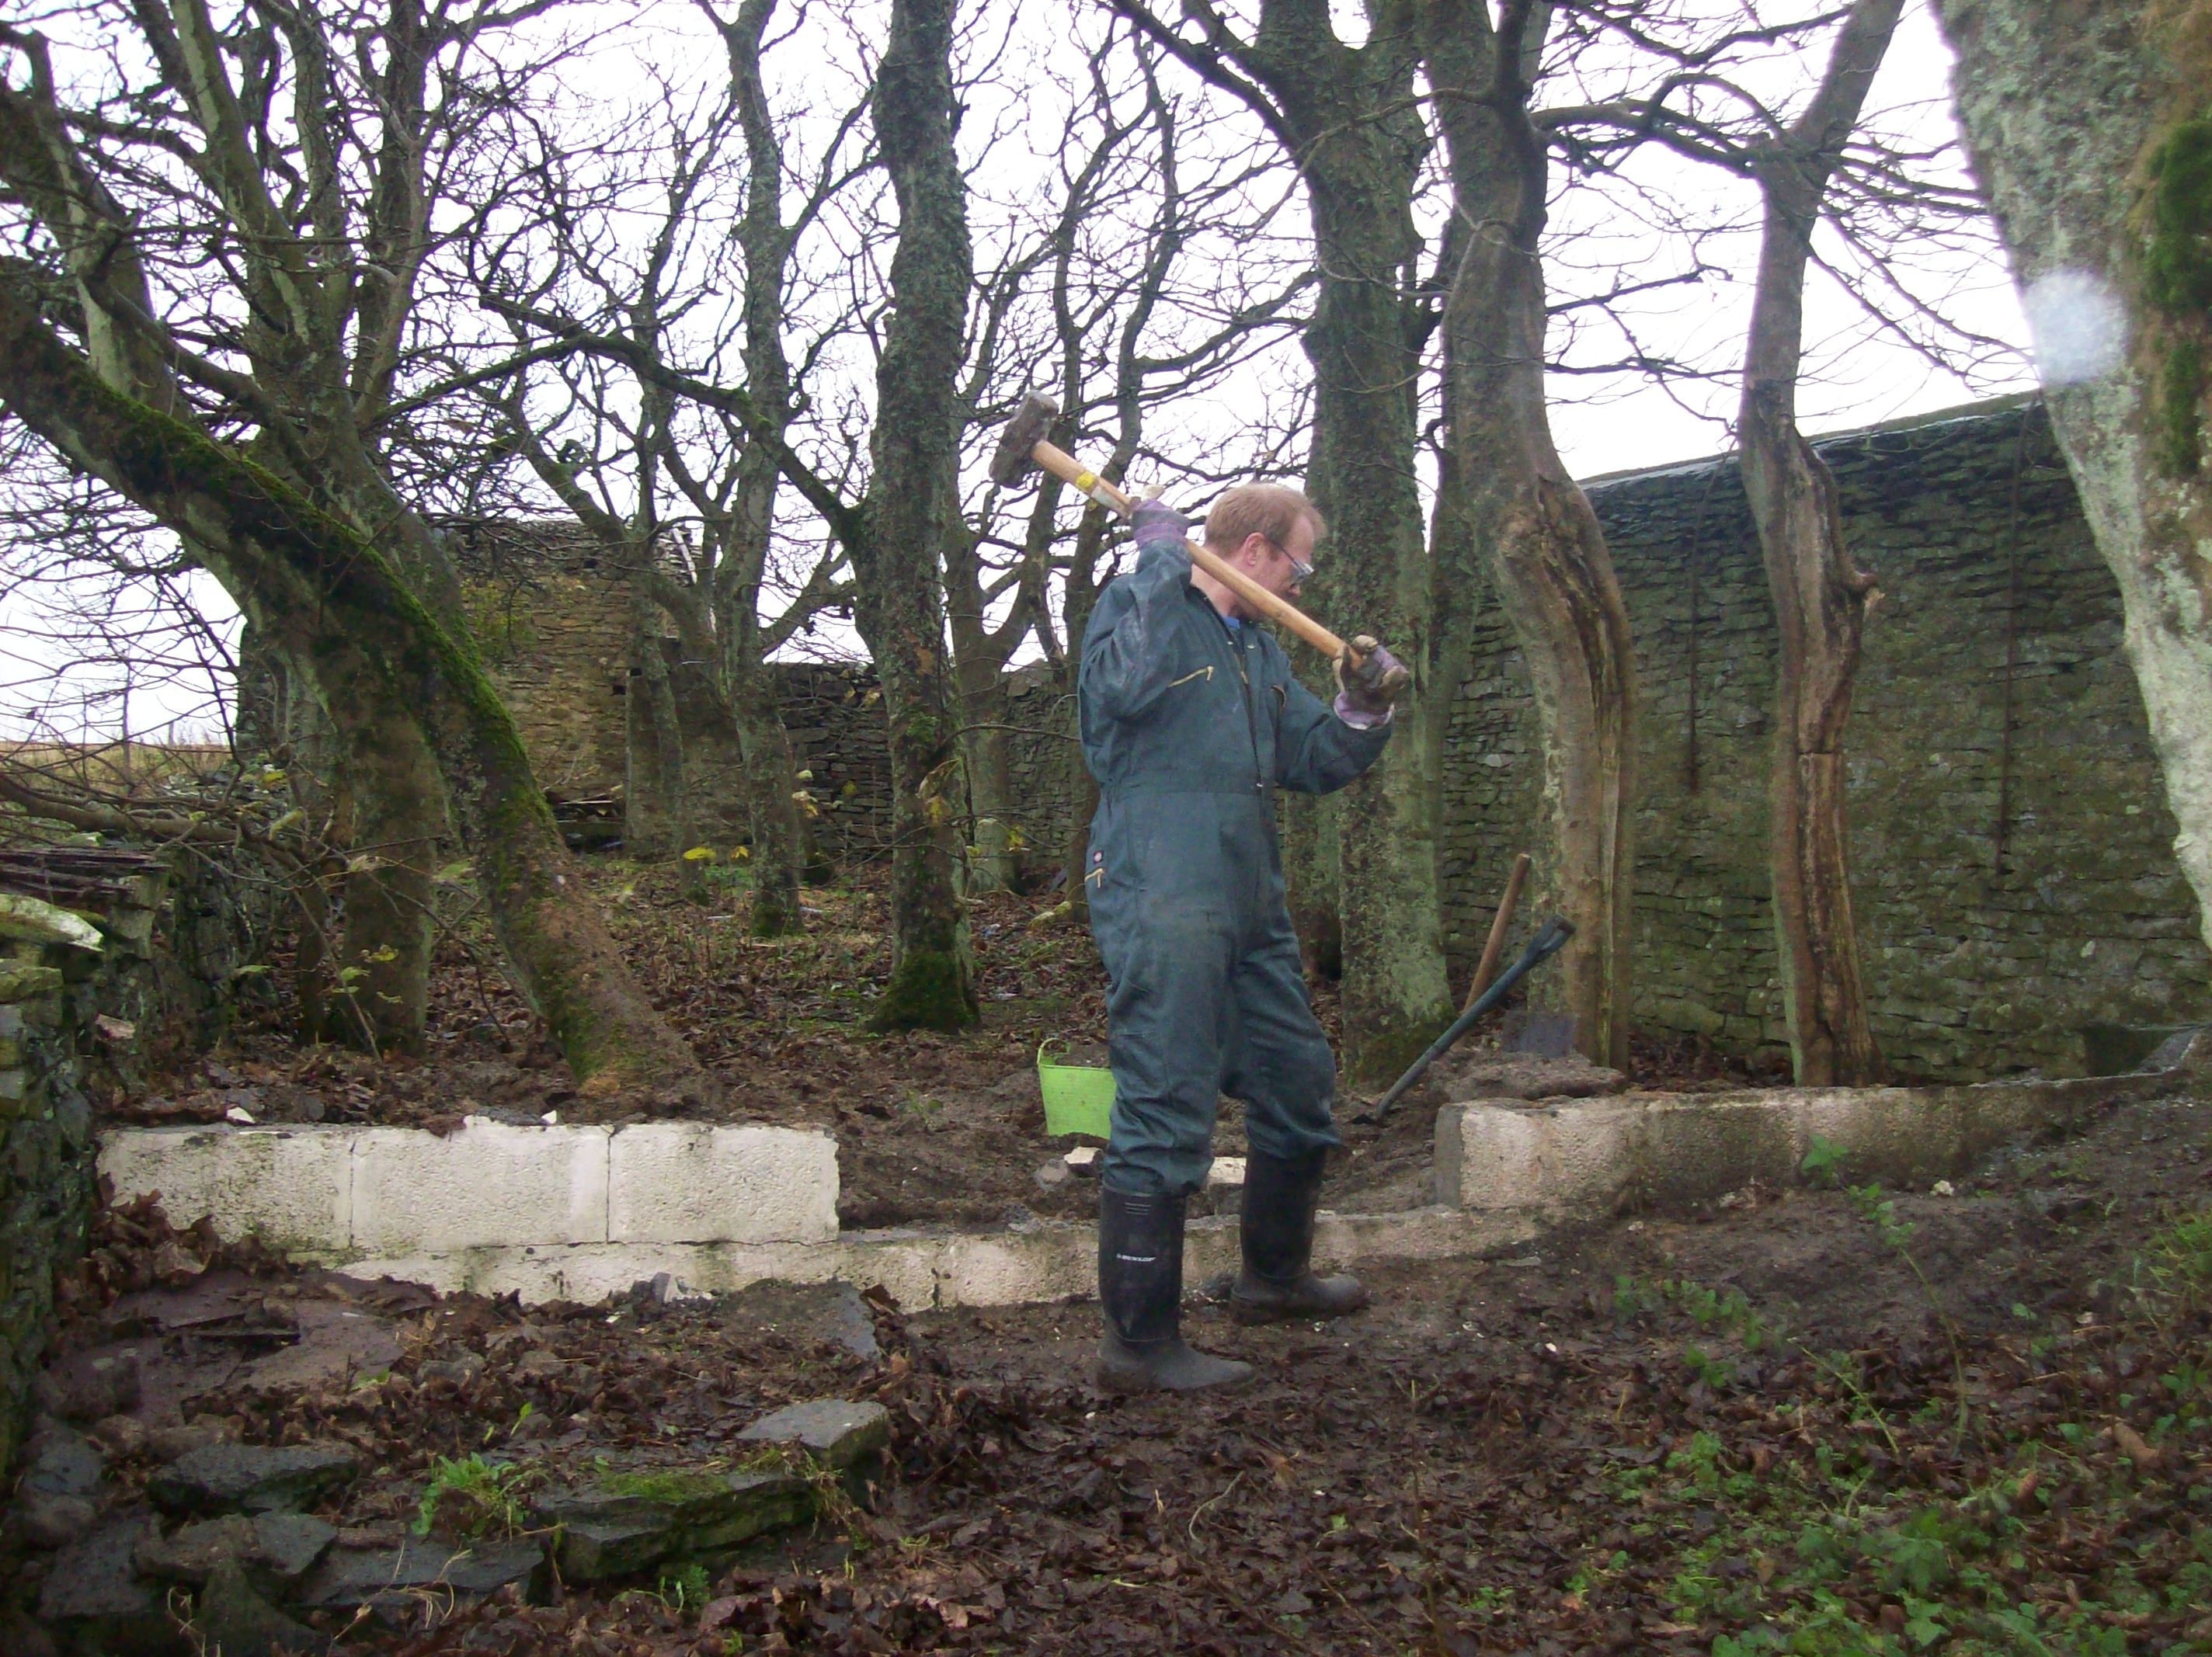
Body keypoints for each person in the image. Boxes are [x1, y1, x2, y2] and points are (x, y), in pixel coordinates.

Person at [1078, 482, 1407, 1392]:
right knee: (1166, 1091)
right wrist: (1153, 558)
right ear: (1257, 549)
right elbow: (1117, 689)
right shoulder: (1145, 606)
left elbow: (1315, 758)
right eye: (1298, 566)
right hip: (1161, 877)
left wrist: (1361, 708)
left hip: (1249, 892)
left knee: (1297, 1076)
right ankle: (1137, 1347)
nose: (1301, 588)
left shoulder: (1255, 649)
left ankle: (1273, 1279)